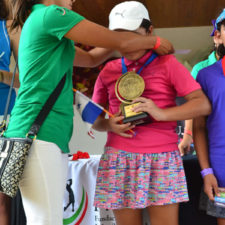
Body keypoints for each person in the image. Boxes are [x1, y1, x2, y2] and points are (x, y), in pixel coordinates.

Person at [5, 0, 174, 224]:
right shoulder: (52, 15)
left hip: (44, 134)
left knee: (48, 218)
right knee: (46, 220)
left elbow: (93, 58)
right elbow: (117, 41)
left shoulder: (41, 22)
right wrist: (153, 40)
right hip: (39, 133)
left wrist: (125, 39)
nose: (73, 0)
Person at [92, 2, 212, 225]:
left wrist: (161, 113)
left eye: (133, 35)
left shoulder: (168, 64)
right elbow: (91, 117)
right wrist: (108, 125)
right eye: (119, 37)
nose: (127, 43)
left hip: (163, 159)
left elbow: (202, 104)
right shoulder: (108, 70)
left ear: (150, 32)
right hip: (119, 159)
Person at [193, 9, 225, 225]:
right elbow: (199, 127)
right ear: (218, 34)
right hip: (221, 170)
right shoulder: (206, 75)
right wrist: (206, 171)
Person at [178, 20, 220, 156]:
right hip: (210, 136)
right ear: (216, 37)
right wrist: (187, 135)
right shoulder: (201, 68)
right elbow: (193, 104)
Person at [0, 0, 21, 224]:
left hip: (5, 118)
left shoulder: (9, 27)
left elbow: (27, 78)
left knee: (2, 200)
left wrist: (0, 75)